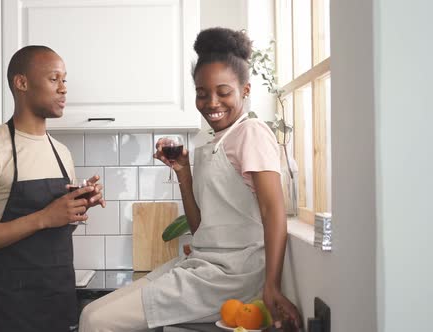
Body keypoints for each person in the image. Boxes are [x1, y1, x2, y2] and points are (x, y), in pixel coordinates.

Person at [79, 28, 301, 331]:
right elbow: (200, 229)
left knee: (96, 321)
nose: (212, 102)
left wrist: (272, 285)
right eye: (201, 93)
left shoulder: (251, 133)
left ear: (245, 90)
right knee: (91, 312)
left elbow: (273, 211)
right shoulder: (213, 144)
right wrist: (183, 171)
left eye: (223, 92)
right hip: (203, 266)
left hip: (231, 276)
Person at [0, 45, 105, 332]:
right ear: (21, 83)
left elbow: (52, 232)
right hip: (9, 310)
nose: (63, 89)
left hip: (59, 304)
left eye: (65, 80)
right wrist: (44, 217)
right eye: (53, 79)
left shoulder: (62, 153)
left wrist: (77, 206)